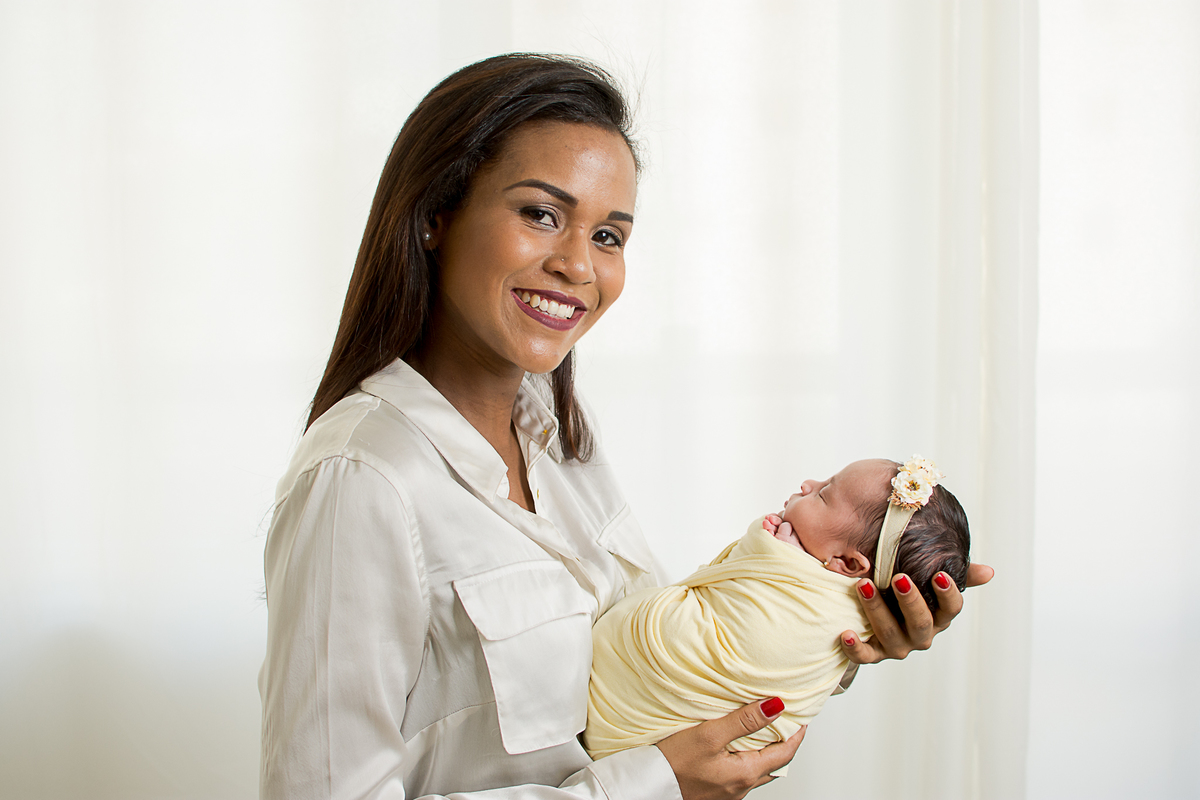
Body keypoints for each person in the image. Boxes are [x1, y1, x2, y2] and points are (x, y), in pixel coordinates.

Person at [258, 53, 993, 800]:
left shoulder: (562, 441)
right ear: (433, 217)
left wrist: (836, 623)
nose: (579, 265)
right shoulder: (363, 479)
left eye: (609, 236)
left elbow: (661, 665)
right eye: (541, 214)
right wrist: (652, 785)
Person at [583, 457, 970, 767]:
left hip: (640, 739)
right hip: (634, 760)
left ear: (848, 564)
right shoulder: (819, 577)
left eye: (823, 494)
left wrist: (768, 551)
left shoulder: (836, 614)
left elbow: (771, 651)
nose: (807, 484)